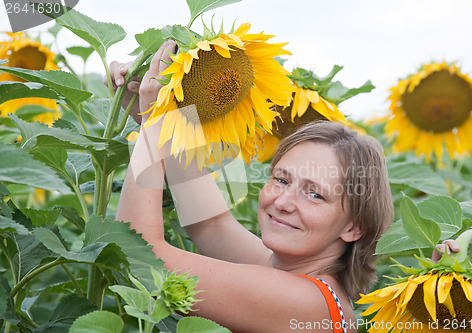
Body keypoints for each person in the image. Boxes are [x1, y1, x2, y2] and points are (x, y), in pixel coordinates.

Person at [111, 41, 394, 333]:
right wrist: (159, 111)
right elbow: (211, 225)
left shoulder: (302, 301)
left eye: (315, 194)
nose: (283, 202)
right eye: (282, 179)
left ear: (354, 227)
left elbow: (138, 253)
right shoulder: (301, 279)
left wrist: (155, 121)